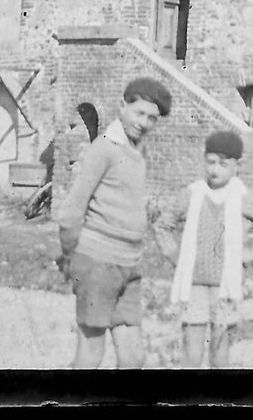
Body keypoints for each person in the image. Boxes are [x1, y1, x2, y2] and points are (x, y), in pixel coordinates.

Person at [54, 76, 173, 369]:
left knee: (133, 356)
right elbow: (72, 210)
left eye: (152, 118)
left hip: (128, 266)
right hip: (97, 262)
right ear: (123, 107)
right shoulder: (104, 149)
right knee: (91, 351)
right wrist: (70, 255)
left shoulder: (136, 154)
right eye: (139, 113)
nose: (144, 123)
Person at [154, 128, 253, 368]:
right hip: (194, 283)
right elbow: (162, 225)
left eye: (223, 164)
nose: (215, 169)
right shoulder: (191, 194)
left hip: (226, 285)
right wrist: (174, 255)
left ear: (236, 166)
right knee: (192, 351)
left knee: (220, 352)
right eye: (210, 162)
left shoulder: (243, 196)